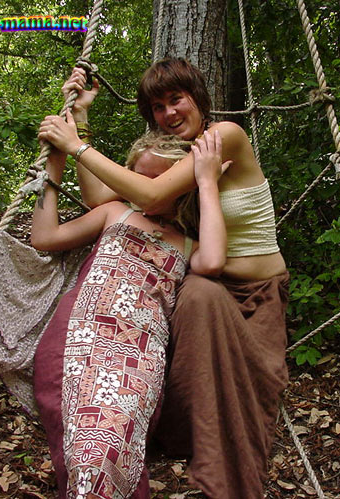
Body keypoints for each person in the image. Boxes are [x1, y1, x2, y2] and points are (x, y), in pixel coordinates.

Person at [37, 58, 290, 499]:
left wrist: (74, 146)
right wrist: (81, 118)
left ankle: (218, 467)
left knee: (200, 301)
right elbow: (106, 197)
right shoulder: (174, 160)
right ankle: (162, 441)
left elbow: (150, 195)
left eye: (177, 99)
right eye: (157, 107)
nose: (169, 113)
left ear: (199, 98)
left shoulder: (222, 138)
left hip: (254, 290)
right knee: (189, 301)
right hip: (203, 281)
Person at [32, 131, 227, 498]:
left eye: (161, 179)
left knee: (118, 443)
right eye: (140, 177)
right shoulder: (115, 212)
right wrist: (54, 167)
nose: (148, 188)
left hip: (140, 354)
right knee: (87, 451)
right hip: (81, 334)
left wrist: (206, 181)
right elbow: (44, 237)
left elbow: (214, 261)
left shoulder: (188, 243)